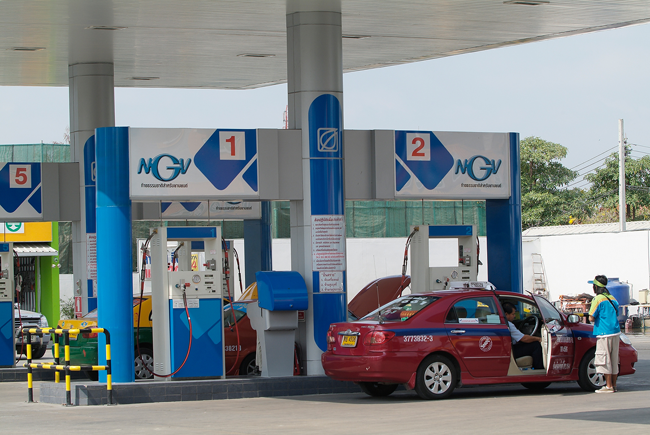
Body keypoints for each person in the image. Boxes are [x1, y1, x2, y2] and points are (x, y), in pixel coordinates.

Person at [588, 275, 620, 393]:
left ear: (596, 287)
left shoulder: (597, 299)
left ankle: (608, 386)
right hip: (615, 332)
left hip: (604, 333)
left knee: (604, 360)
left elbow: (591, 317)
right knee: (614, 360)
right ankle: (614, 385)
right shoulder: (613, 298)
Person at [502, 302, 544, 370]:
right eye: (513, 314)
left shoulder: (503, 323)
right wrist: (539, 339)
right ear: (506, 314)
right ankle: (539, 369)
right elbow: (524, 339)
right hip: (511, 350)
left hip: (508, 349)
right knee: (536, 345)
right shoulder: (509, 325)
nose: (514, 316)